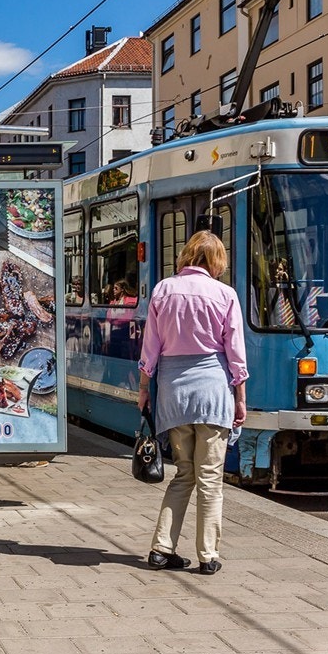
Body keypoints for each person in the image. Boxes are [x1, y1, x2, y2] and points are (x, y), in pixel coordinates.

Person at [137, 231, 247, 576]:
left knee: (183, 474)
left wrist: (144, 389)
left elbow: (150, 348)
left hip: (173, 391)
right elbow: (235, 353)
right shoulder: (225, 294)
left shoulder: (162, 290)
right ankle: (208, 555)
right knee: (210, 478)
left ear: (186, 256)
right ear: (216, 261)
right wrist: (240, 397)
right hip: (213, 390)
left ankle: (161, 549)